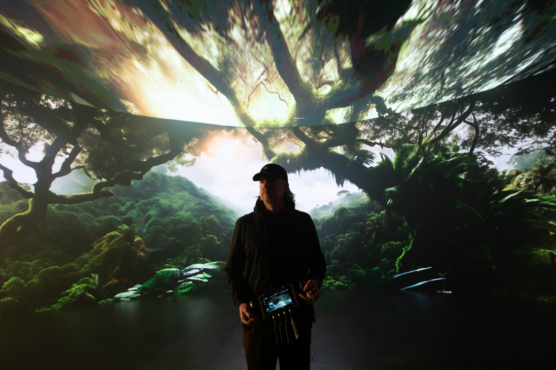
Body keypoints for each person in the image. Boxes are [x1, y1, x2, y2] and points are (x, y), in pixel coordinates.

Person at [225, 163, 327, 370]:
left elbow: (318, 262)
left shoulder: (303, 222)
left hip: (297, 319)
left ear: (285, 186)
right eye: (262, 181)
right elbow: (232, 270)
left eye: (271, 180)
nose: (265, 185)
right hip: (258, 322)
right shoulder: (244, 225)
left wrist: (315, 282)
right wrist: (241, 302)